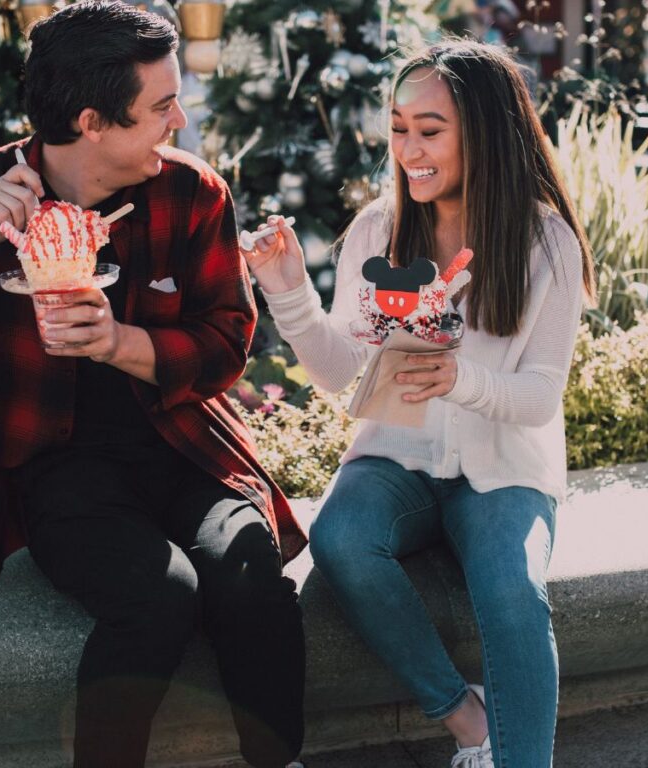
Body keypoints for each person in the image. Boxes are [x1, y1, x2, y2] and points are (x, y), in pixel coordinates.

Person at [0, 3, 306, 766]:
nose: (180, 119)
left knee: (249, 577)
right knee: (157, 597)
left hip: (183, 447)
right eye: (162, 106)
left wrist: (120, 343)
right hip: (58, 467)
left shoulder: (191, 194)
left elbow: (227, 345)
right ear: (93, 120)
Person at [243, 40, 595, 768]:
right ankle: (464, 715)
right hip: (395, 456)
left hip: (505, 468)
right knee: (339, 541)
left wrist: (456, 378)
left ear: (486, 132)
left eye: (429, 130)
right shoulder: (378, 230)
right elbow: (339, 370)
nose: (409, 149)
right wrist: (286, 289)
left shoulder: (546, 242)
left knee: (512, 592)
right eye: (398, 127)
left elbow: (537, 398)